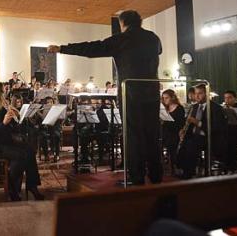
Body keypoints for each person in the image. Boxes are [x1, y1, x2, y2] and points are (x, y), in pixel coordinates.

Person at [48, 10, 163, 184]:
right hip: (152, 92)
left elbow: (92, 48)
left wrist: (62, 48)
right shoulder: (153, 38)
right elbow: (159, 51)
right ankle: (156, 175)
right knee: (152, 134)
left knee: (133, 136)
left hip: (131, 92)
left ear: (122, 23)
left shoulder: (122, 39)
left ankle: (136, 177)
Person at [0, 83, 44, 201]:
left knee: (29, 150)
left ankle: (32, 186)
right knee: (19, 155)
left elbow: (12, 129)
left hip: (5, 143)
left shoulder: (3, 108)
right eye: (2, 93)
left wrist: (17, 118)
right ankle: (12, 188)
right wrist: (3, 123)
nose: (4, 96)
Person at [178, 84, 228, 179]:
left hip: (210, 137)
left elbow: (217, 128)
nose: (197, 96)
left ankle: (188, 173)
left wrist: (198, 123)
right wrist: (183, 130)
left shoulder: (216, 108)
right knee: (183, 143)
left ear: (207, 94)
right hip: (195, 135)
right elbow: (188, 124)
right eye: (195, 93)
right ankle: (183, 169)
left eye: (200, 93)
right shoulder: (194, 107)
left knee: (191, 144)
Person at [161, 89, 185, 176]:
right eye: (163, 98)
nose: (164, 100)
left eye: (166, 98)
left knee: (171, 141)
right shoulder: (164, 109)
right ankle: (160, 166)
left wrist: (167, 122)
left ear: (172, 98)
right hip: (165, 132)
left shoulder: (179, 108)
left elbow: (180, 124)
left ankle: (174, 167)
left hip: (175, 132)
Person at [222, 90, 237, 172]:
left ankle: (233, 166)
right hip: (228, 132)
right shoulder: (224, 108)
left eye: (229, 98)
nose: (227, 100)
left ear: (235, 99)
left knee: (231, 143)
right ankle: (226, 165)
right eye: (225, 98)